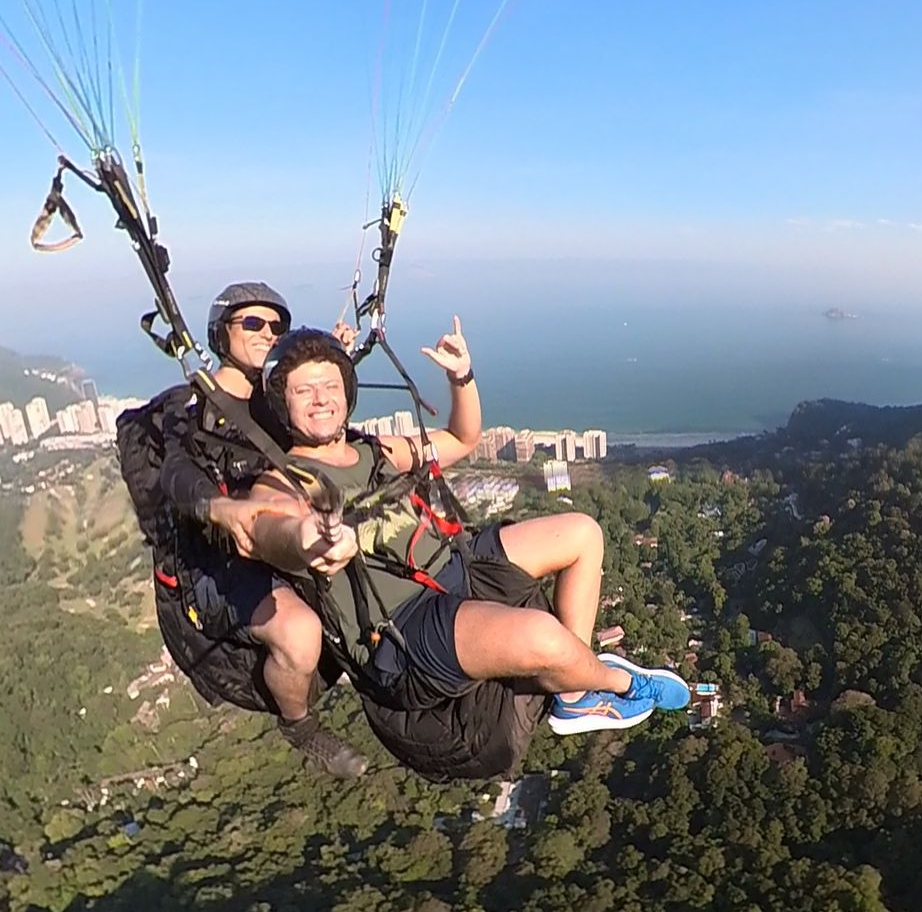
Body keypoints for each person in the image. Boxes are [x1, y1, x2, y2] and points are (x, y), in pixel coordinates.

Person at [202, 320, 688, 753]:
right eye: (304, 391)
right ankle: (617, 683)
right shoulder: (284, 480)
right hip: (402, 631)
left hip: (453, 564)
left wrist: (462, 377)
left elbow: (461, 439)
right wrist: (312, 537)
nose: (321, 398)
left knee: (582, 534)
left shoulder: (372, 451)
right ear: (281, 403)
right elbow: (268, 526)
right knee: (544, 637)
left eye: (330, 384)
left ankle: (575, 694)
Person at [118, 283, 371, 781]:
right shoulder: (188, 407)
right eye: (252, 323)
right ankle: (299, 726)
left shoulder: (273, 403)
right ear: (220, 333)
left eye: (277, 326)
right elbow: (175, 473)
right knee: (300, 635)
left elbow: (316, 424)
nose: (267, 333)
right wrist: (220, 510)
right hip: (220, 559)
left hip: (285, 535)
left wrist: (327, 356)